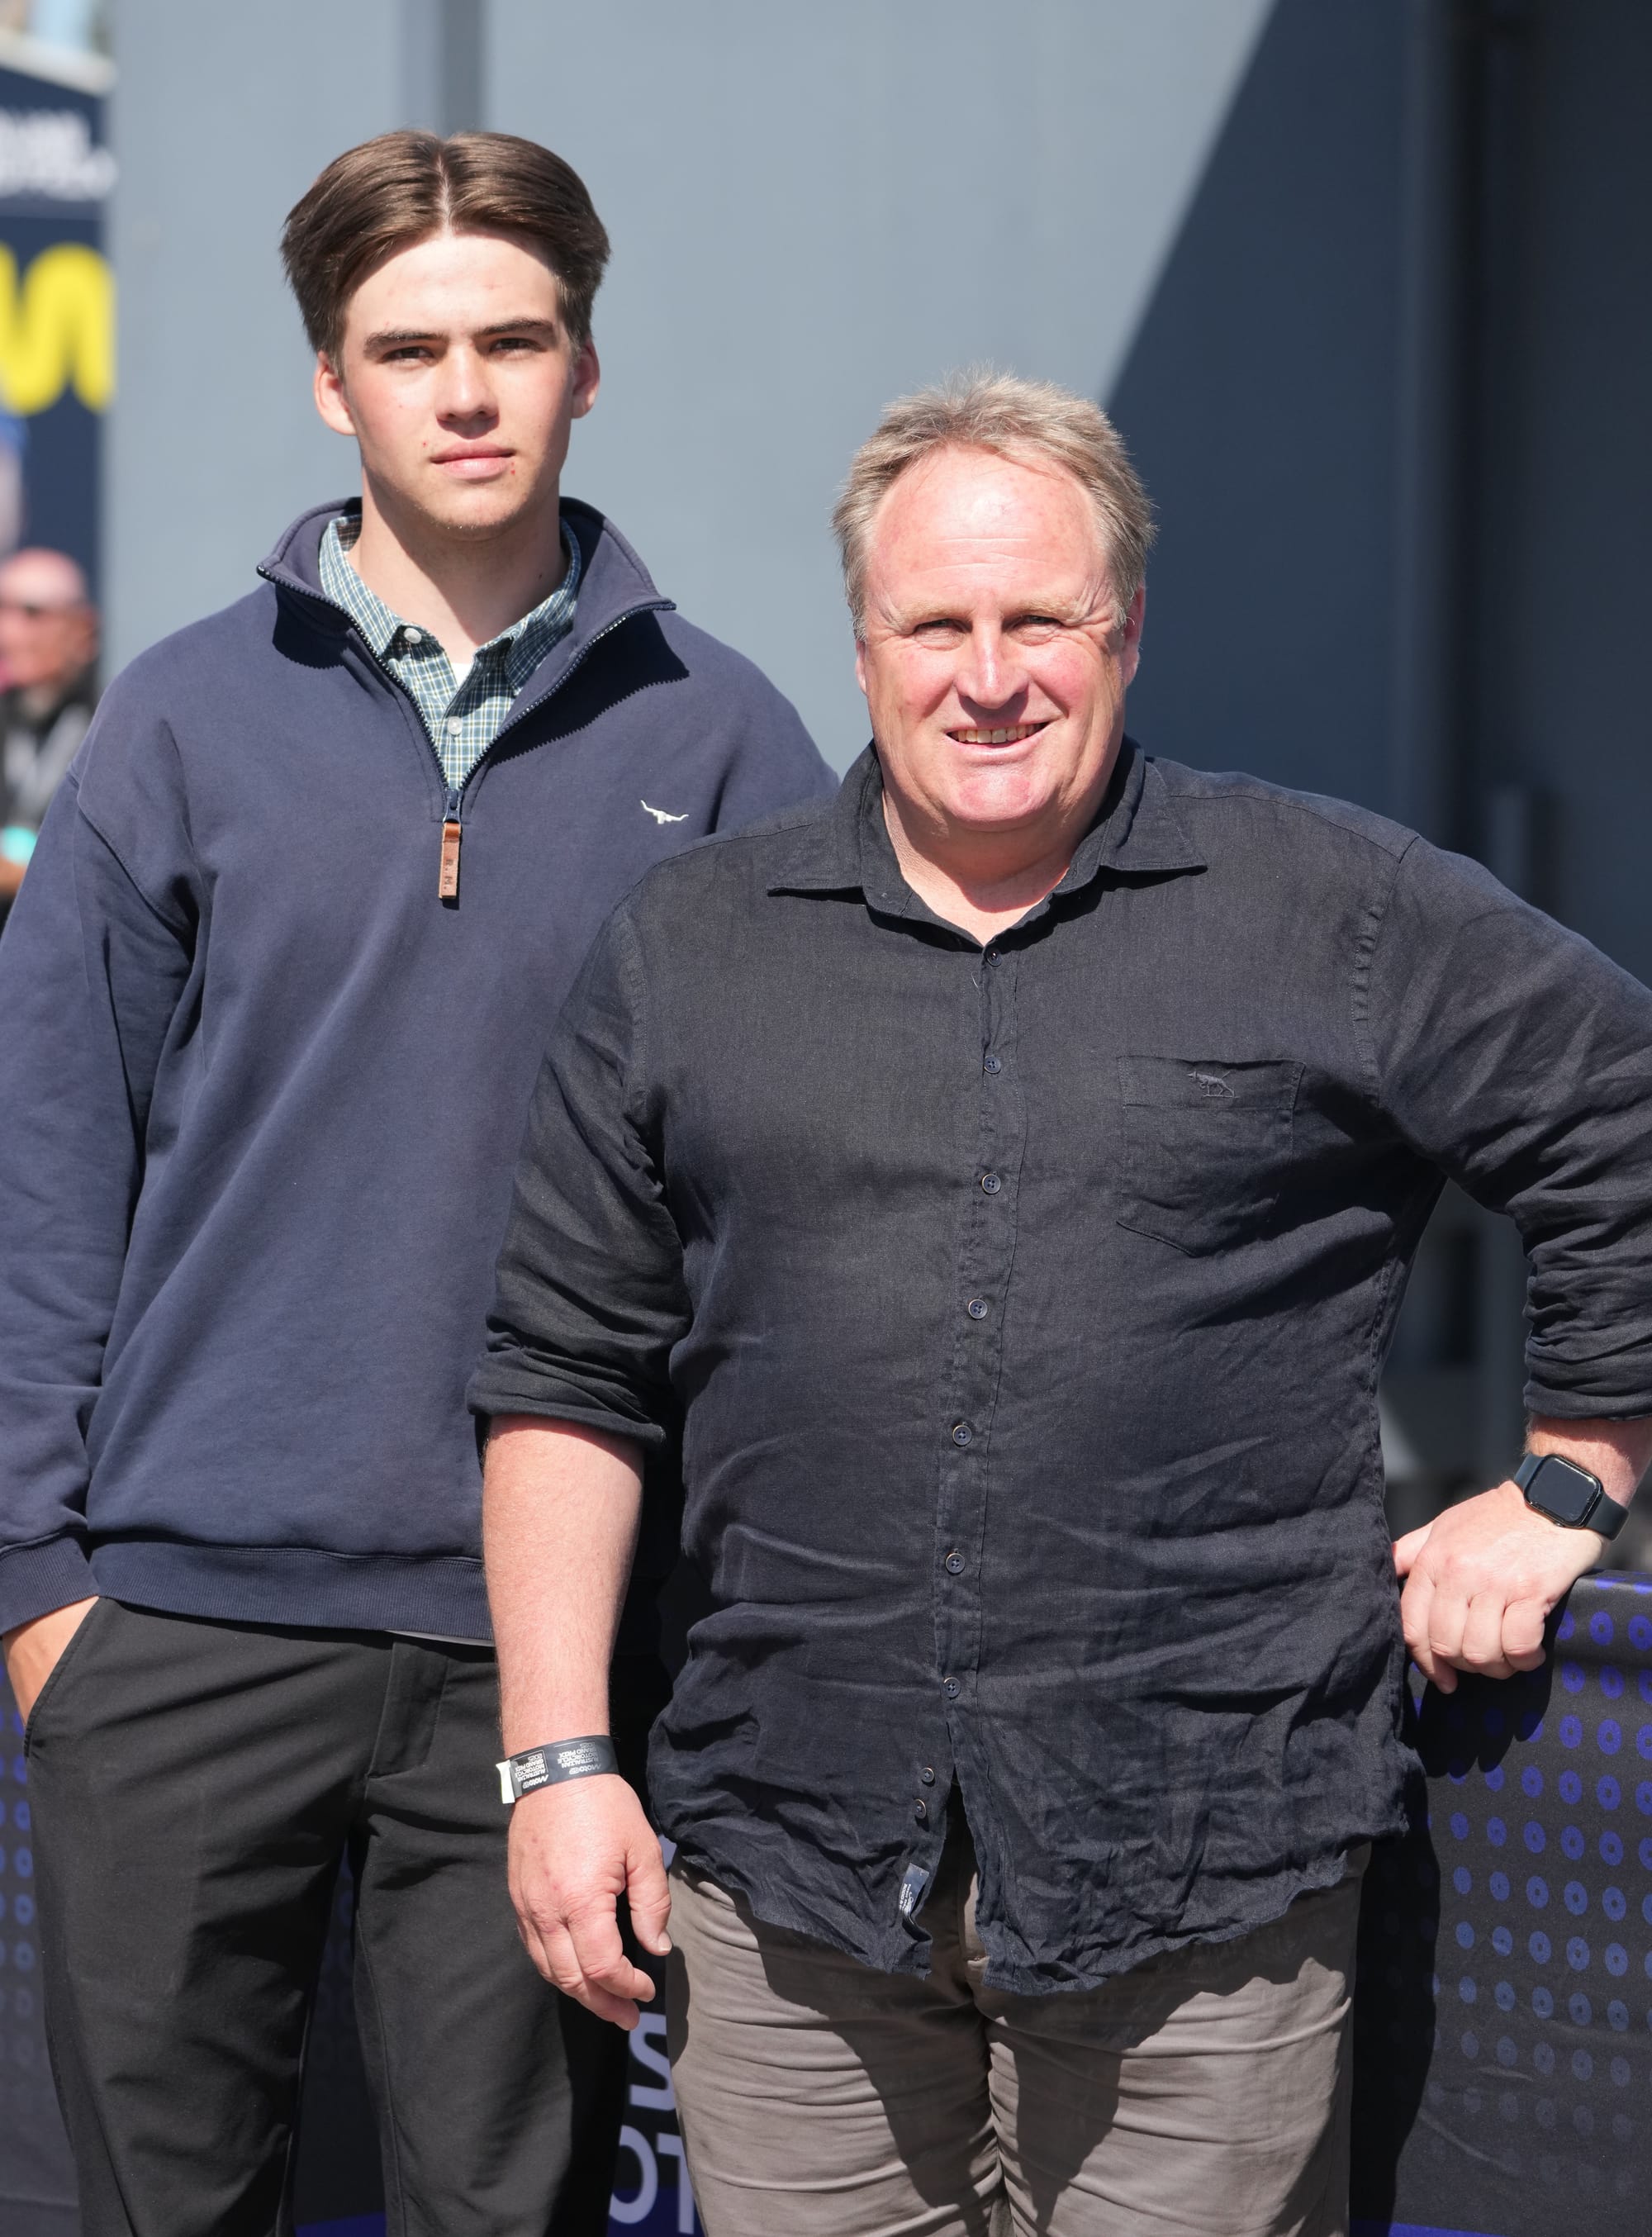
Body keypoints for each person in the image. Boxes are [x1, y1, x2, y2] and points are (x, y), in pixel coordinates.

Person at [471, 373, 1652, 2237]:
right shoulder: (690, 947)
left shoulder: (1323, 909)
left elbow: (1620, 1111)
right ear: (860, 643)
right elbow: (563, 1370)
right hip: (788, 1882)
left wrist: (1573, 1469)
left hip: (1204, 1875)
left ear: (1126, 631)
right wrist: (556, 1758)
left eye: (1042, 620)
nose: (989, 673)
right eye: (935, 623)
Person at [0, 130, 830, 2237]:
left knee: (507, 2210)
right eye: (408, 347)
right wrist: (43, 1595)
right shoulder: (178, 724)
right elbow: (41, 1161)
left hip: (539, 1666)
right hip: (174, 1626)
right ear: (328, 382)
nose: (464, 389)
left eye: (512, 339)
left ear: (583, 365)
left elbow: (788, 1205)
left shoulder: (724, 742)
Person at [0, 545, 97, 932]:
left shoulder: (112, 724)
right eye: (2, 610)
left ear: (83, 627)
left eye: (32, 613)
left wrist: (24, 872)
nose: (9, 632)